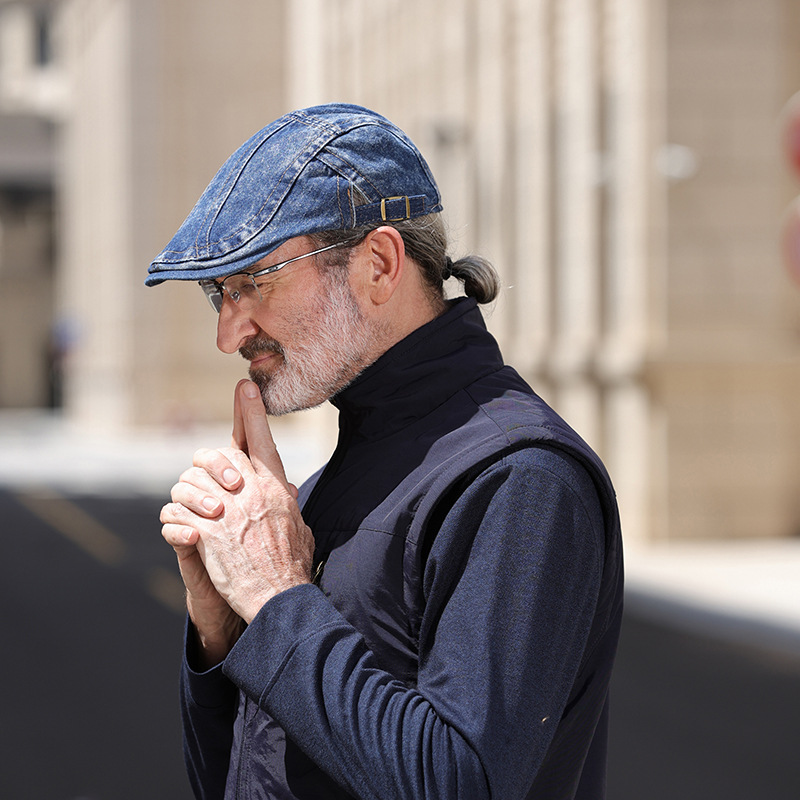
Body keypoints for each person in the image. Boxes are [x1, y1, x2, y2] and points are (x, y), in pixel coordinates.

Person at [150, 103, 624, 800]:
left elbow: (458, 783)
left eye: (252, 283)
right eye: (218, 293)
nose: (229, 334)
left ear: (378, 263)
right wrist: (223, 630)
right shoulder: (330, 485)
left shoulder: (519, 477)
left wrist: (275, 596)